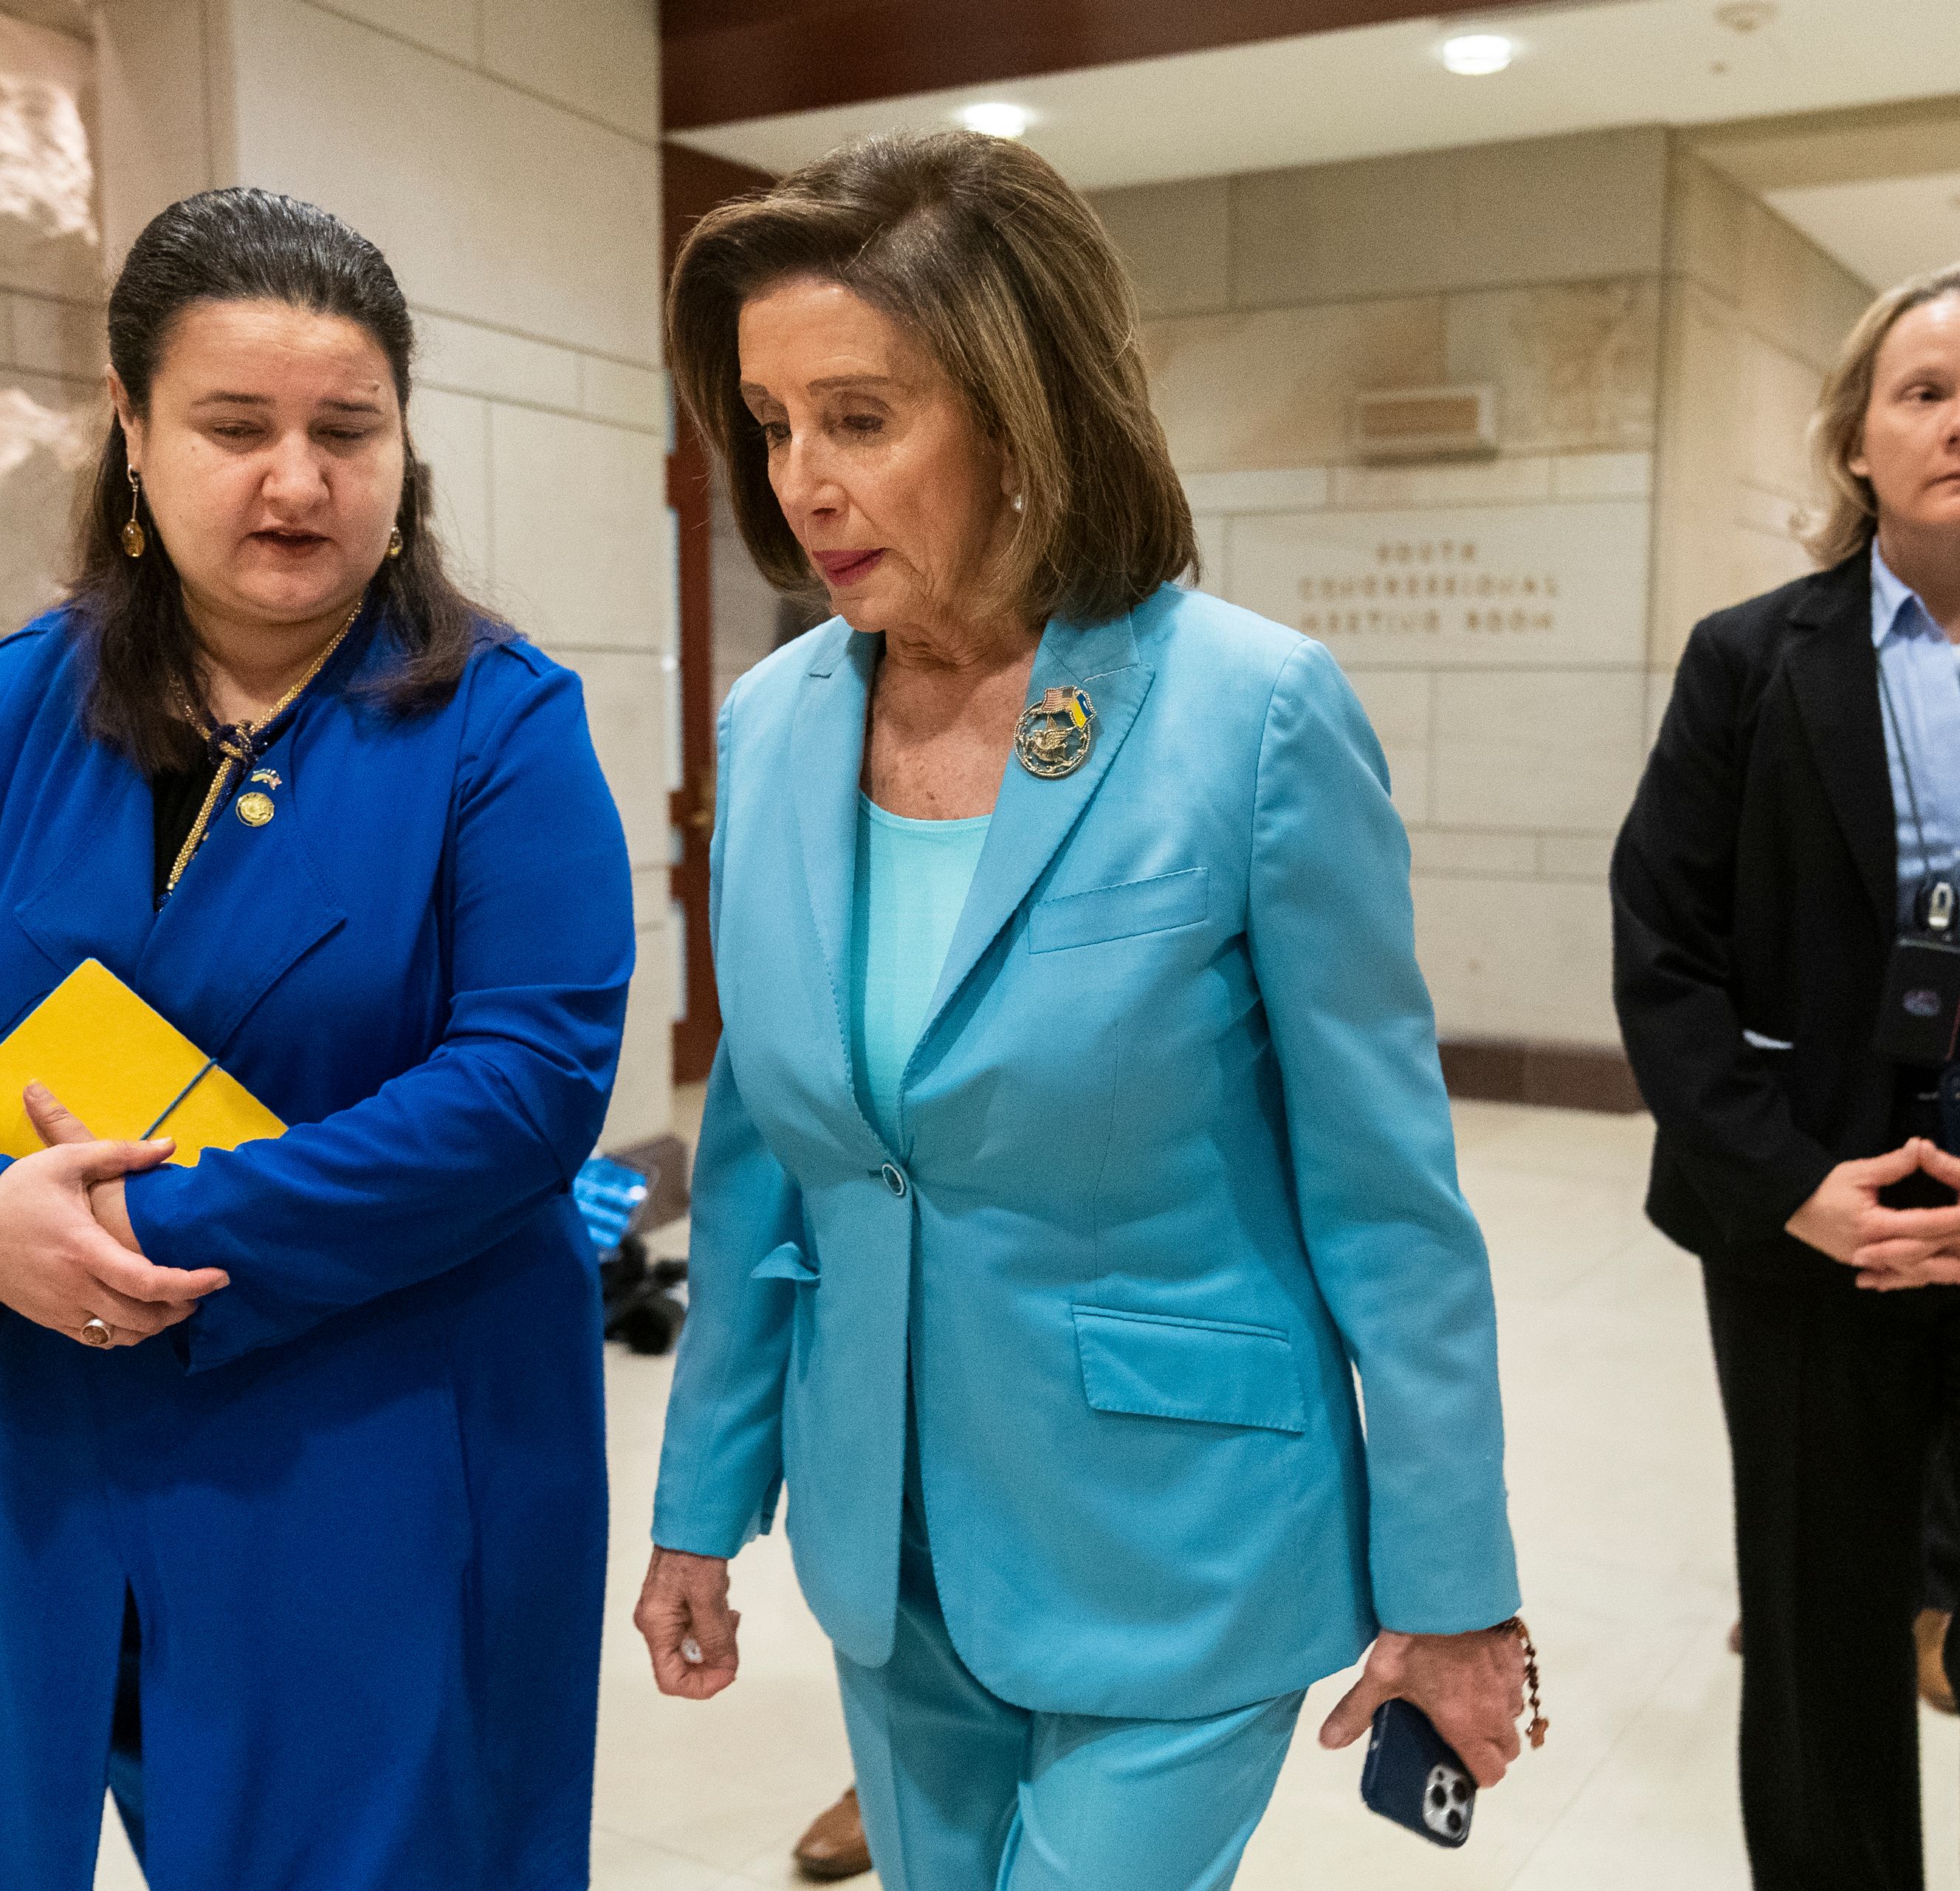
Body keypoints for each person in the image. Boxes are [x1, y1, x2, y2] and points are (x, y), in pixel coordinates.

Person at [631, 130, 1534, 1890]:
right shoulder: (778, 725)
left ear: (1021, 403)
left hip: (1182, 1543)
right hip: (891, 1546)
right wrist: (698, 1505)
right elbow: (765, 1164)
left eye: (862, 417)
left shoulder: (1250, 715)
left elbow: (1389, 1197)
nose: (804, 480)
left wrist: (1455, 1587)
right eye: (771, 422)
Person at [0, 187, 634, 1890]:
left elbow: (525, 1086)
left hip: (388, 1442)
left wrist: (132, 1229)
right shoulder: (11, 711)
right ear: (131, 429)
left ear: (406, 443)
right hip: (62, 1424)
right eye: (235, 428)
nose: (298, 481)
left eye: (349, 429)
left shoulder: (501, 722)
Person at [1612, 258, 1960, 1891]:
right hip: (1811, 1228)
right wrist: (1790, 1184)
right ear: (1858, 442)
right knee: (1818, 1654)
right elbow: (1663, 947)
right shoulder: (1750, 660)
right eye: (1928, 391)